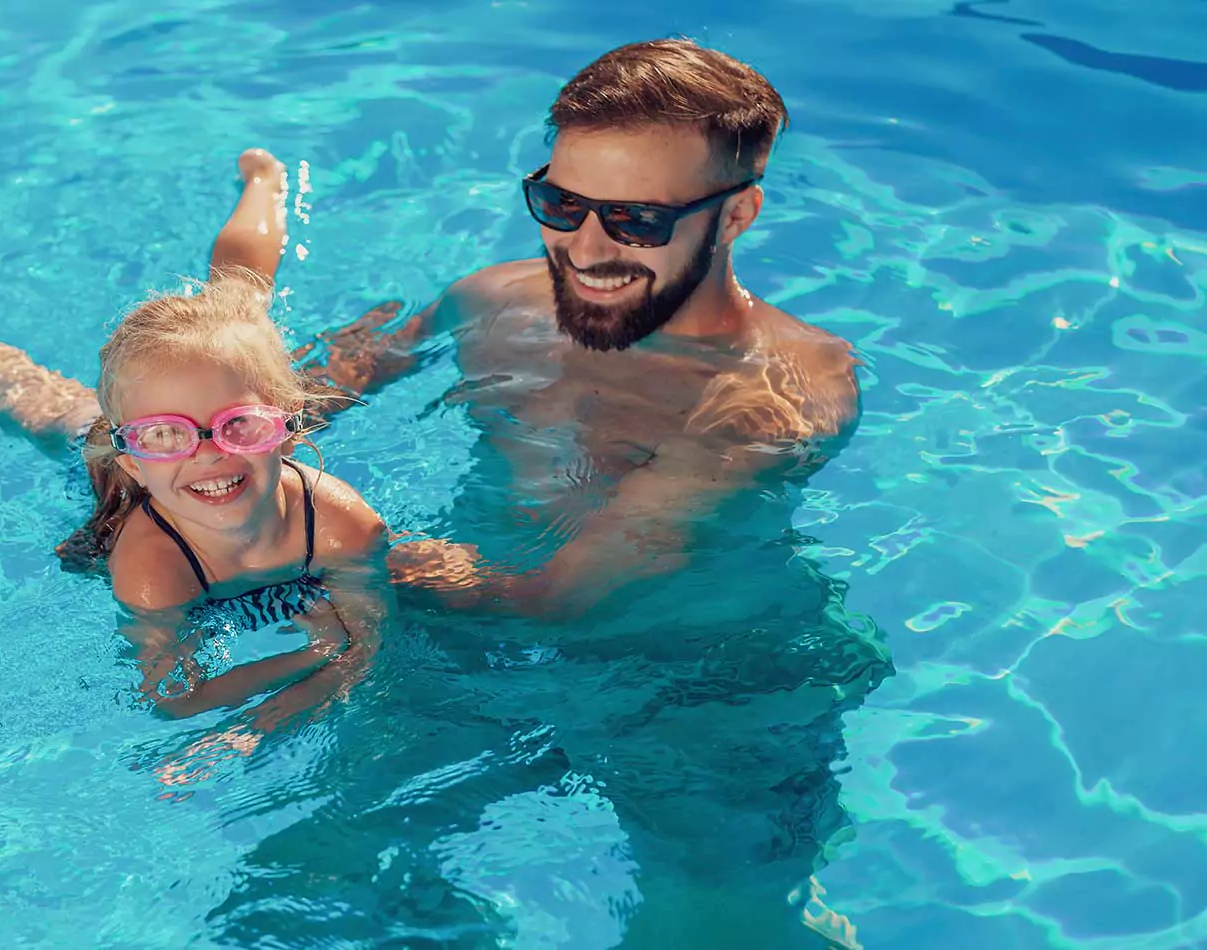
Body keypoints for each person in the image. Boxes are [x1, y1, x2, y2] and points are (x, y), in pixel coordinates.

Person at [206, 38, 896, 948]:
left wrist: (306, 547)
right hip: (466, 648)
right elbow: (290, 406)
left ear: (735, 217)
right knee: (305, 890)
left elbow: (559, 599)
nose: (587, 247)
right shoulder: (487, 305)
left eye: (638, 220)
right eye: (561, 204)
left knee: (718, 931)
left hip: (707, 683)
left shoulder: (772, 398)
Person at [0, 149, 391, 736]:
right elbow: (173, 697)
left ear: (288, 431)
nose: (208, 453)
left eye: (239, 425)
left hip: (209, 422)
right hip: (86, 438)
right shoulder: (153, 566)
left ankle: (265, 181)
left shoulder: (344, 522)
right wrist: (314, 656)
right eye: (167, 435)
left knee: (241, 301)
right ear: (135, 464)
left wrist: (328, 672)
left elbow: (370, 641)